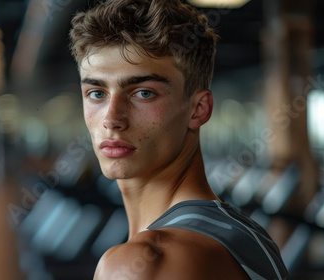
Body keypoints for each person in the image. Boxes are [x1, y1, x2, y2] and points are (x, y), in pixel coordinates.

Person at [69, 0, 290, 279]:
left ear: (198, 110)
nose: (112, 119)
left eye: (144, 93)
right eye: (97, 93)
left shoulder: (146, 264)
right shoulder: (248, 234)